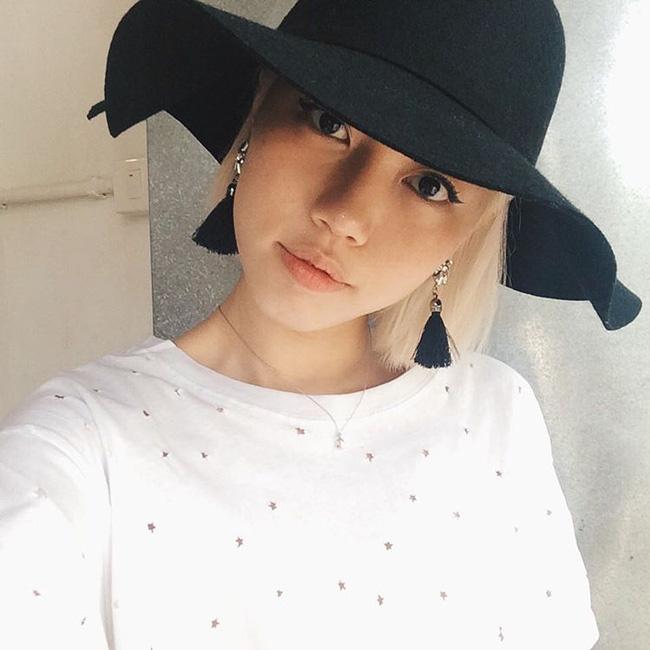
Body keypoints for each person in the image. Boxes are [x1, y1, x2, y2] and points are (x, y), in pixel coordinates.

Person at [0, 0, 641, 649]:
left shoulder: (498, 414)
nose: (346, 215)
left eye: (429, 184)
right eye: (330, 122)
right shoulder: (80, 445)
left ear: (466, 236)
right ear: (256, 117)